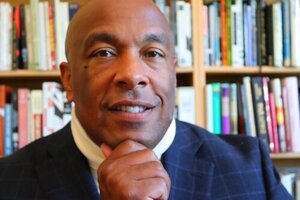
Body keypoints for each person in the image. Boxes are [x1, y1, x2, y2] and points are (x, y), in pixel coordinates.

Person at [0, 0, 293, 199]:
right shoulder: (8, 181)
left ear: (173, 73)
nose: (132, 75)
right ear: (69, 80)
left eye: (152, 53)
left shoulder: (251, 169)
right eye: (104, 53)